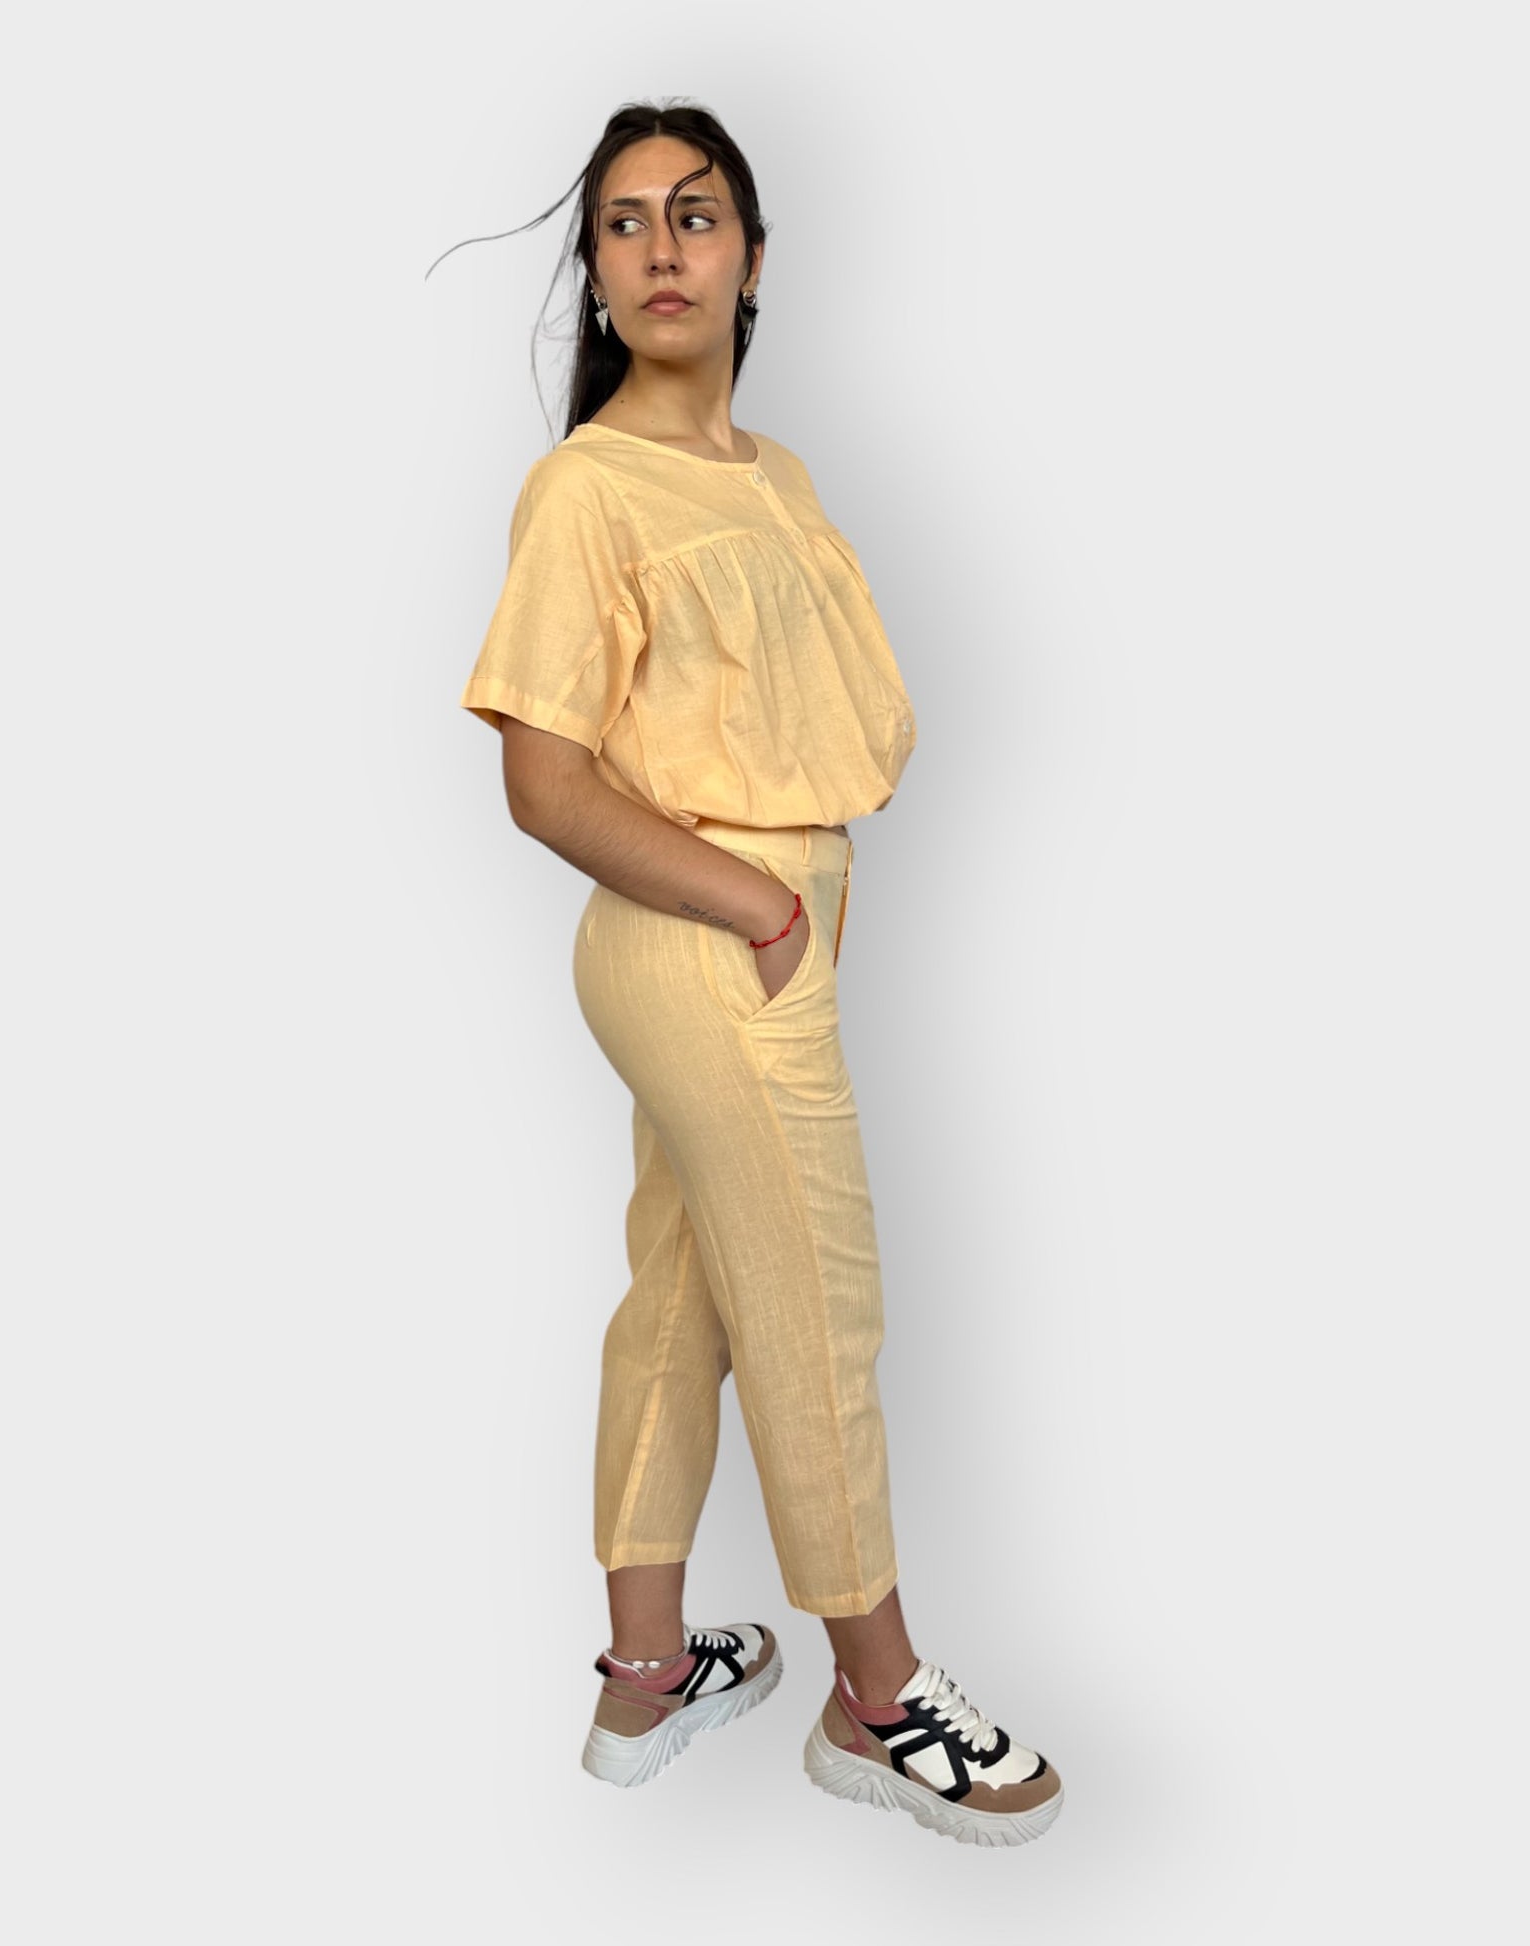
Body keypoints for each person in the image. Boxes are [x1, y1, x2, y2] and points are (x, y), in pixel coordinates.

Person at [455, 102, 1063, 1848]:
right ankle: (877, 1693)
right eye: (625, 220)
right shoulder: (587, 486)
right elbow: (544, 778)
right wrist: (757, 906)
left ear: (751, 257)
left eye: (695, 213)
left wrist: (796, 907)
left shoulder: (771, 475)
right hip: (702, 927)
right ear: (596, 270)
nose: (660, 247)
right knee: (818, 1304)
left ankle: (648, 1668)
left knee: (690, 1286)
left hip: (751, 934)